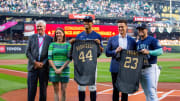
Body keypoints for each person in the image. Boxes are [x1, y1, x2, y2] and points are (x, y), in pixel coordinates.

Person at [70, 16, 103, 101]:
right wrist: (72, 43)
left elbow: (100, 51)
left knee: (92, 86)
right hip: (81, 65)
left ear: (92, 23)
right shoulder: (79, 36)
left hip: (92, 65)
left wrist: (99, 45)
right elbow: (73, 51)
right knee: (81, 86)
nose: (86, 23)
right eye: (85, 21)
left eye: (88, 21)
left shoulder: (97, 36)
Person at [105, 20, 136, 101]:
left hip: (127, 68)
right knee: (115, 90)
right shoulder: (112, 39)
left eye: (122, 26)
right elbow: (107, 53)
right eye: (119, 27)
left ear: (126, 27)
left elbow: (135, 55)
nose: (120, 28)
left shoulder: (132, 40)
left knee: (125, 91)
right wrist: (115, 51)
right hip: (115, 68)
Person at [26, 20, 53, 101]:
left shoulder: (50, 39)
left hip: (44, 68)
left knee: (43, 90)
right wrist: (34, 62)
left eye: (41, 26)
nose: (39, 28)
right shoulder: (31, 37)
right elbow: (27, 52)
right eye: (38, 26)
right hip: (32, 67)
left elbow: (50, 53)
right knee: (31, 90)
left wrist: (43, 63)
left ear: (44, 28)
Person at [136, 23, 163, 101]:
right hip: (141, 69)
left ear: (146, 30)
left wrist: (149, 52)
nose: (140, 31)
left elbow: (160, 51)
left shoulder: (152, 40)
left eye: (142, 29)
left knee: (151, 91)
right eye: (139, 29)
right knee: (146, 92)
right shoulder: (138, 43)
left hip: (151, 68)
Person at [48, 28, 71, 101]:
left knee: (63, 90)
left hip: (64, 70)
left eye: (60, 33)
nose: (58, 34)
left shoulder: (68, 45)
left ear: (63, 34)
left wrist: (61, 69)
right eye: (57, 33)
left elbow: (69, 58)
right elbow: (49, 58)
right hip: (53, 70)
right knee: (56, 91)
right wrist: (55, 69)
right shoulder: (52, 44)